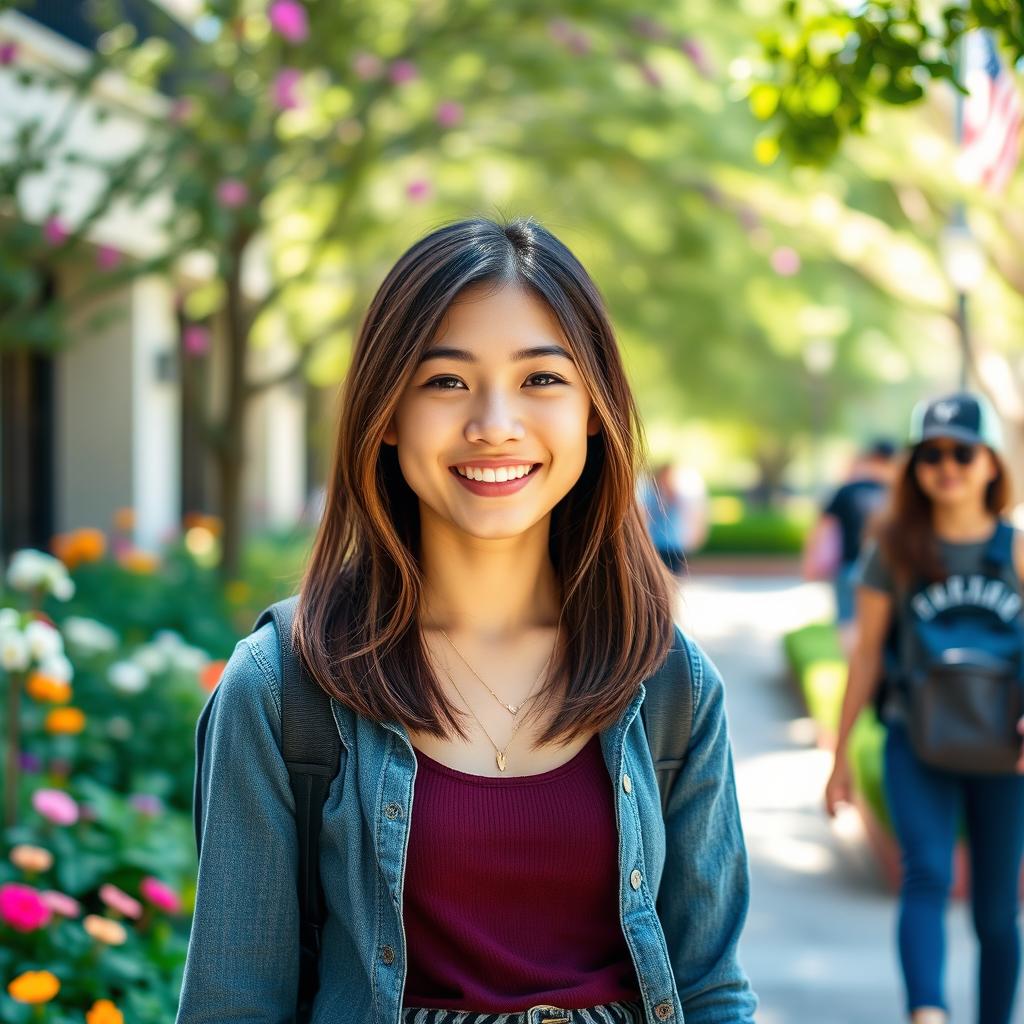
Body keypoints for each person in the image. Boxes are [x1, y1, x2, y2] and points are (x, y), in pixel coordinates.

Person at [176, 218, 757, 1024]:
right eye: (446, 382)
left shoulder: (667, 681)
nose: (493, 422)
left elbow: (711, 989)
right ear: (385, 413)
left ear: (596, 410)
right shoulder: (285, 689)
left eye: (542, 380)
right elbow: (234, 1005)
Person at [825, 391, 1024, 1024]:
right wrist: (839, 760)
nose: (947, 466)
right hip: (918, 741)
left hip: (1007, 755)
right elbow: (865, 659)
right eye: (931, 454)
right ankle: (928, 1013)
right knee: (927, 876)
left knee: (997, 911)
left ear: (991, 463)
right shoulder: (895, 550)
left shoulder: (1017, 550)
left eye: (962, 452)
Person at [803, 439, 896, 651]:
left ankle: (851, 669)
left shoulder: (847, 490)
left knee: (846, 625)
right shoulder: (896, 493)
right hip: (884, 569)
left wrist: (810, 560)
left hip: (848, 565)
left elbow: (822, 527)